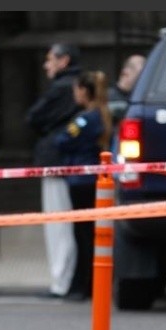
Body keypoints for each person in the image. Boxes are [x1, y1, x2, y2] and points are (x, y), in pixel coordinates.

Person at [26, 43, 82, 298]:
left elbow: (33, 117)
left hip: (56, 161)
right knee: (69, 224)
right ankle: (69, 279)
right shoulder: (78, 84)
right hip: (71, 162)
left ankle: (61, 281)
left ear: (64, 60)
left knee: (58, 224)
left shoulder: (61, 88)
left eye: (50, 59)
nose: (46, 65)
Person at [53, 70, 113, 301]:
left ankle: (82, 286)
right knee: (90, 234)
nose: (74, 94)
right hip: (93, 181)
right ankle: (89, 284)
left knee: (83, 235)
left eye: (77, 90)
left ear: (84, 92)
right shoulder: (101, 115)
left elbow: (63, 140)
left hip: (80, 181)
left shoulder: (83, 119)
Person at [107, 54, 146, 127]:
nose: (144, 78)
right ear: (125, 73)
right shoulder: (107, 98)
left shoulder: (142, 99)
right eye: (141, 74)